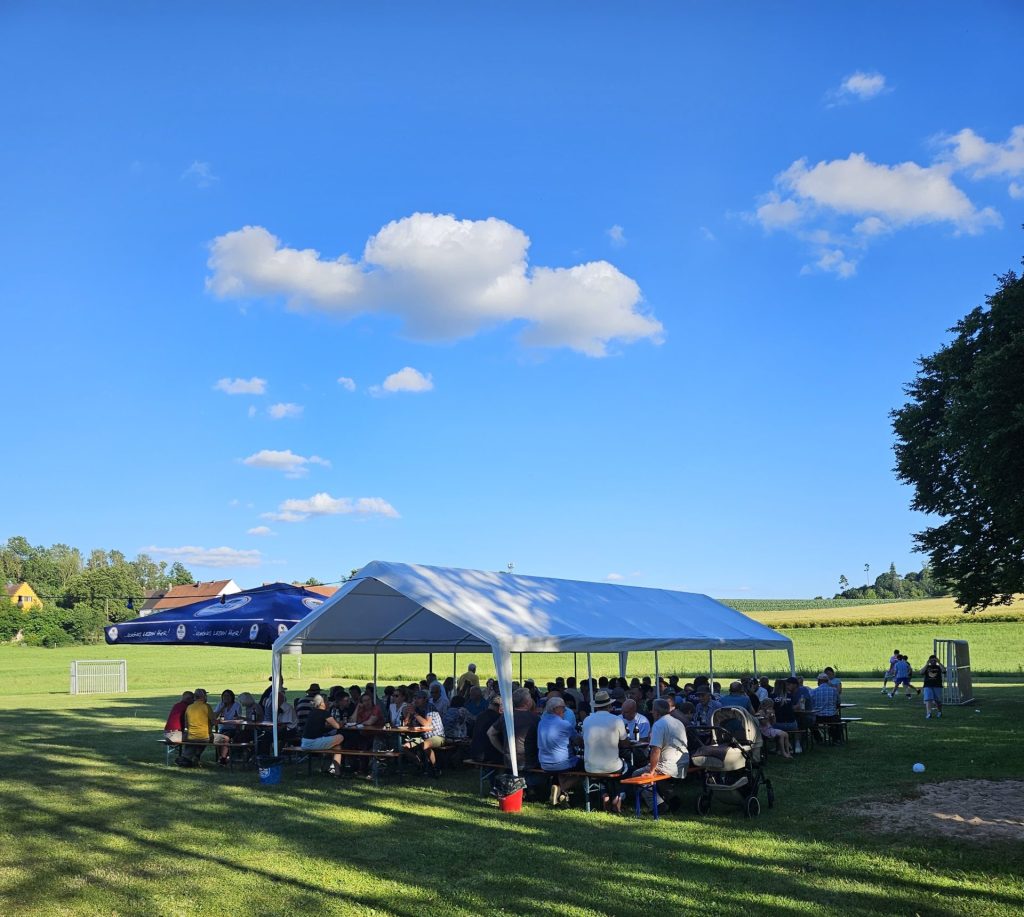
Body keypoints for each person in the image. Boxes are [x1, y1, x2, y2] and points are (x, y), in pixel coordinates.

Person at [633, 698, 689, 815]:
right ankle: (671, 798)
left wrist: (652, 770)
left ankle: (657, 805)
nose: (651, 712)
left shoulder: (659, 724)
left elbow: (655, 750)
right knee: (659, 776)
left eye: (652, 710)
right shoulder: (678, 722)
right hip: (683, 762)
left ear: (657, 712)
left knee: (637, 775)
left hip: (668, 765)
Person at [487, 688, 541, 797]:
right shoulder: (535, 718)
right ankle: (526, 786)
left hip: (509, 759)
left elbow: (490, 733)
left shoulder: (506, 717)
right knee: (546, 774)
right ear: (527, 702)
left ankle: (517, 787)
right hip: (528, 760)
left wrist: (502, 750)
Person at [582, 690, 629, 813]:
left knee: (602, 775)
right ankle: (618, 795)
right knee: (629, 769)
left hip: (590, 766)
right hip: (612, 766)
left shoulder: (587, 720)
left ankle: (605, 794)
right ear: (609, 706)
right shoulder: (616, 720)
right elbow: (625, 743)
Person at [538, 696, 582, 805]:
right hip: (562, 763)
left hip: (544, 763)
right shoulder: (564, 724)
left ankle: (559, 792)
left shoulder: (541, 722)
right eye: (563, 708)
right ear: (556, 709)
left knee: (560, 768)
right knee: (587, 768)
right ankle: (562, 788)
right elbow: (579, 742)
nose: (565, 711)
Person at [300, 694, 345, 776]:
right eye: (327, 701)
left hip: (304, 742)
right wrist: (342, 723)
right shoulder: (324, 713)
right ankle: (334, 769)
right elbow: (337, 726)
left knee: (337, 746)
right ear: (322, 703)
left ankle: (336, 772)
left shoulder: (312, 712)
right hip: (313, 743)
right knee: (340, 737)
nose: (328, 703)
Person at [404, 690, 446, 777]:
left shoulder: (430, 707)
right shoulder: (416, 709)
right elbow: (406, 724)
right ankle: (420, 765)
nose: (416, 700)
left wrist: (414, 714)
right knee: (405, 747)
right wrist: (408, 713)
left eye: (419, 698)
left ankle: (435, 768)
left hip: (437, 736)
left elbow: (426, 724)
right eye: (415, 698)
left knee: (425, 744)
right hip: (422, 737)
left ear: (425, 699)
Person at [180, 689, 226, 767]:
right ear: (203, 697)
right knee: (226, 739)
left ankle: (190, 757)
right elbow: (214, 721)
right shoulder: (206, 706)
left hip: (191, 736)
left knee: (197, 740)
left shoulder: (189, 707)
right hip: (205, 737)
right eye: (206, 695)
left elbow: (186, 725)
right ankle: (223, 760)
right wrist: (220, 720)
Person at [213, 689, 242, 765]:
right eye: (224, 696)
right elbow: (214, 716)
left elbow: (238, 718)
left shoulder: (237, 705)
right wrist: (222, 708)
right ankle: (221, 757)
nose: (226, 698)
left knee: (225, 736)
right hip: (223, 728)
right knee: (219, 737)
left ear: (232, 697)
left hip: (232, 728)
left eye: (228, 696)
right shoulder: (220, 704)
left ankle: (223, 758)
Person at [811, 673, 842, 744]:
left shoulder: (813, 691)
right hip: (831, 716)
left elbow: (811, 704)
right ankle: (836, 739)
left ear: (819, 681)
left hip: (818, 717)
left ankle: (818, 739)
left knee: (810, 722)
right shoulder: (834, 691)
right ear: (827, 681)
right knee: (837, 720)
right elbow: (838, 702)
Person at [921, 654, 946, 719]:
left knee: (938, 701)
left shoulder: (938, 667)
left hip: (937, 686)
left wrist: (939, 662)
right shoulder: (927, 667)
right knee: (928, 699)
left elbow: (944, 670)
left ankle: (939, 712)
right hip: (928, 685)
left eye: (934, 660)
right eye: (931, 660)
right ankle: (929, 713)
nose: (933, 662)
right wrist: (927, 664)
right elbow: (921, 672)